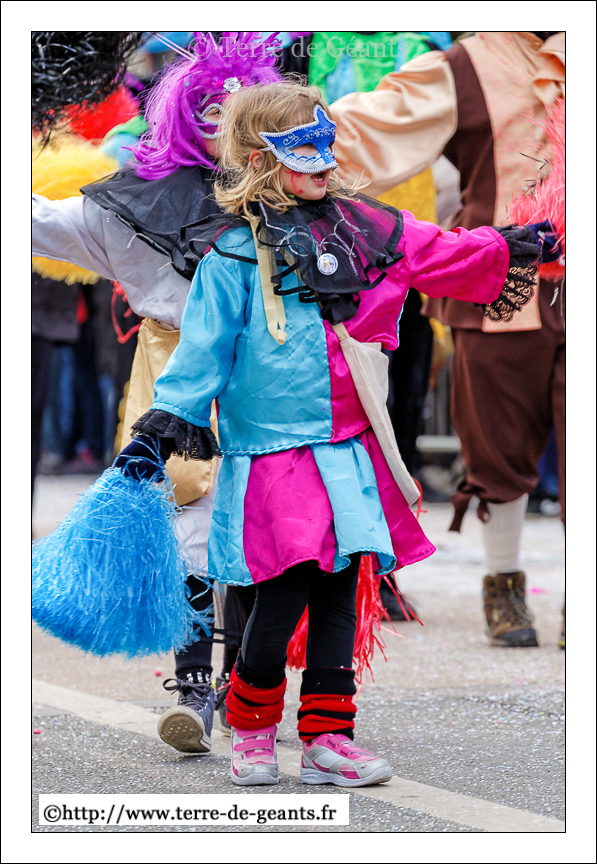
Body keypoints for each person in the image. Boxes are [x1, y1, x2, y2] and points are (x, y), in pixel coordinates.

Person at [122, 82, 552, 786]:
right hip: (271, 455)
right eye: (305, 151)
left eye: (327, 145)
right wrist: (168, 419)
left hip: (345, 449)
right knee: (283, 589)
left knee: (337, 588)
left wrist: (505, 247)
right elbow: (202, 351)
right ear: (260, 160)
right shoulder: (232, 255)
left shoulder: (360, 228)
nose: (324, 163)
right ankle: (253, 731)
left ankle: (328, 736)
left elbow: (433, 251)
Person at [31, 32, 282, 752]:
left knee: (253, 528)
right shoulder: (134, 209)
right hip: (185, 381)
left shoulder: (285, 197)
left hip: (264, 377)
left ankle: (236, 687)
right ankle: (201, 688)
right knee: (197, 526)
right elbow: (40, 224)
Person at [329, 31, 565, 647]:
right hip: (503, 281)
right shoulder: (469, 63)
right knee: (497, 443)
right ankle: (503, 584)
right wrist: (274, 134)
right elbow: (371, 131)